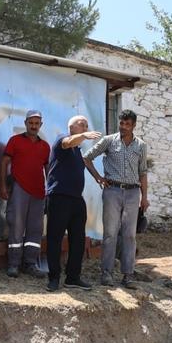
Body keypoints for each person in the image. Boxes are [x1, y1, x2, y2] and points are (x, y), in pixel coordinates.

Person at [83, 109, 149, 289]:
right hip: (112, 190)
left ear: (134, 125)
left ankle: (128, 275)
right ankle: (106, 273)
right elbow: (87, 158)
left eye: (128, 124)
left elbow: (143, 172)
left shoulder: (141, 146)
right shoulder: (109, 141)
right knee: (110, 233)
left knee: (129, 235)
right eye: (121, 123)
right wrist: (98, 177)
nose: (124, 127)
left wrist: (145, 197)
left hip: (133, 193)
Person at [45, 115, 101, 292]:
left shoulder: (78, 151)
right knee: (55, 238)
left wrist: (98, 177)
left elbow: (86, 162)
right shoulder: (62, 140)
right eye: (81, 125)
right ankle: (54, 278)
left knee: (78, 240)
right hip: (59, 197)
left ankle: (73, 277)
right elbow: (68, 142)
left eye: (87, 125)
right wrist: (85, 136)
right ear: (71, 127)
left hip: (77, 199)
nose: (85, 127)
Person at [0, 110, 50, 278]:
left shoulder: (45, 146)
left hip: (38, 191)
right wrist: (3, 186)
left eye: (37, 123)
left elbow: (47, 168)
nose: (34, 126)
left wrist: (49, 188)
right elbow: (5, 162)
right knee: (16, 225)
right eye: (31, 123)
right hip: (19, 188)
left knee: (35, 229)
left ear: (40, 125)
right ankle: (13, 264)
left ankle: (30, 263)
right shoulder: (15, 141)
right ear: (26, 123)